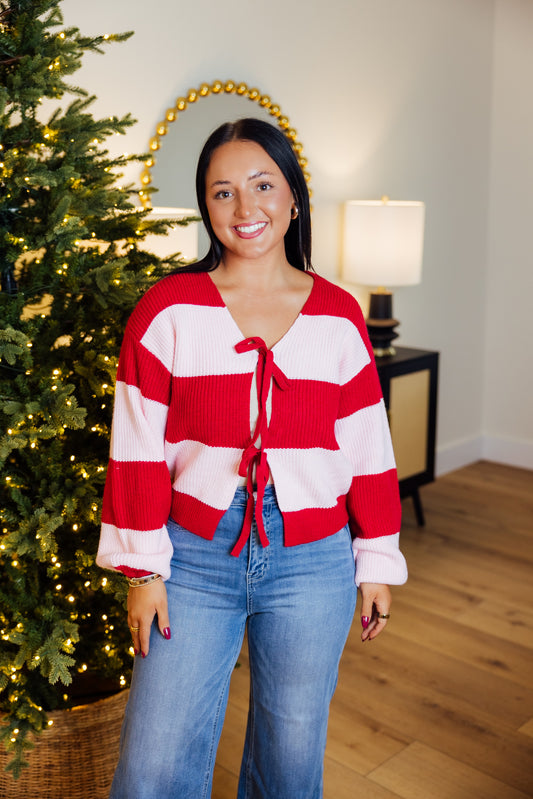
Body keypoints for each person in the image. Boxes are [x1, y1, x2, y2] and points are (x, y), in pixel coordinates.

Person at [97, 117, 408, 799]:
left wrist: (376, 560)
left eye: (263, 186)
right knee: (151, 767)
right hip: (191, 555)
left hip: (313, 555)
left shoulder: (338, 315)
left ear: (293, 198)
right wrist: (142, 571)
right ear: (205, 205)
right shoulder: (166, 310)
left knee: (290, 759)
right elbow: (135, 449)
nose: (245, 210)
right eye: (223, 192)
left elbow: (367, 446)